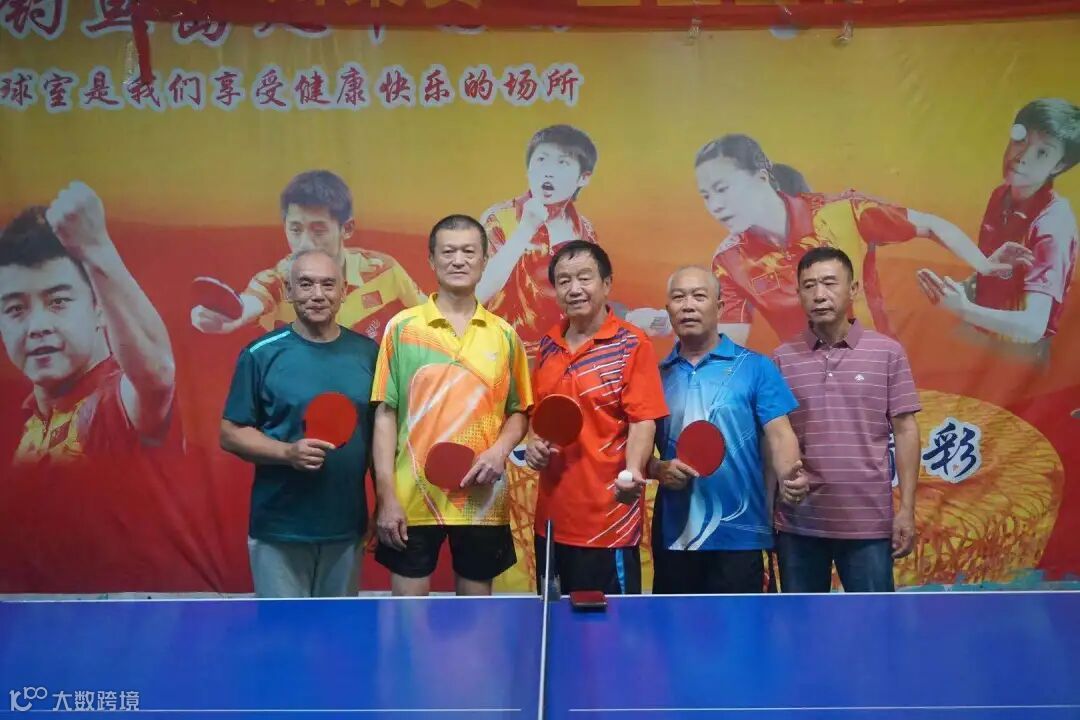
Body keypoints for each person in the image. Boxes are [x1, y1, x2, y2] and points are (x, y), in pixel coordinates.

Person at [629, 134, 1024, 346]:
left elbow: (930, 225)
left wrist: (984, 264)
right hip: (803, 385)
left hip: (871, 364)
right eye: (706, 195)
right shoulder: (729, 260)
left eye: (723, 188)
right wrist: (675, 321)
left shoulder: (841, 212)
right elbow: (731, 338)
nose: (715, 204)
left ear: (761, 178)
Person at [371, 215, 532, 596]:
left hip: (481, 498)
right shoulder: (402, 328)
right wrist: (386, 495)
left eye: (468, 252)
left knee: (476, 616)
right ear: (431, 260)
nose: (458, 260)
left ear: (484, 260)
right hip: (413, 498)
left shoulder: (505, 335)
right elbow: (385, 414)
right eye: (448, 252)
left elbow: (519, 410)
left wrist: (499, 451)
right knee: (408, 614)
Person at [220, 249, 378, 598]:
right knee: (285, 630)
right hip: (279, 529)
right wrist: (287, 453)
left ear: (343, 291)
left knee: (338, 629)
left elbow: (379, 438)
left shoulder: (369, 354)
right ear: (289, 292)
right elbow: (230, 433)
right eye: (306, 284)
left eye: (327, 284)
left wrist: (384, 502)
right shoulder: (260, 354)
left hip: (346, 528)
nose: (317, 294)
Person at [650, 266, 806, 594]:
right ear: (668, 310)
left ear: (720, 307)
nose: (688, 305)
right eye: (678, 298)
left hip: (742, 533)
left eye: (699, 296)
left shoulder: (756, 367)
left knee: (741, 625)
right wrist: (657, 468)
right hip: (675, 533)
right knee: (676, 626)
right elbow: (637, 450)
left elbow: (780, 435)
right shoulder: (655, 376)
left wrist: (790, 476)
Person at [773, 247, 921, 592]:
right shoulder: (781, 359)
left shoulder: (887, 353)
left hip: (868, 523)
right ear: (798, 294)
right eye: (809, 286)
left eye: (829, 283)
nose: (819, 294)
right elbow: (773, 440)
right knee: (801, 621)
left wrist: (907, 509)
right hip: (799, 524)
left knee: (874, 621)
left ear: (853, 289)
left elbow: (906, 431)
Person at [526, 241, 667, 595]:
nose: (574, 289)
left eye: (584, 278)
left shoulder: (631, 344)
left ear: (606, 283)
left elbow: (642, 419)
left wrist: (633, 470)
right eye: (564, 281)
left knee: (611, 624)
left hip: (608, 522)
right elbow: (539, 416)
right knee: (555, 620)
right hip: (551, 523)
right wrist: (534, 445)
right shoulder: (547, 346)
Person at [0, 182, 176, 464]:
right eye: (16, 308)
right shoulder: (27, 425)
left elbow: (157, 376)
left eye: (58, 301)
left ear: (99, 307)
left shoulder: (116, 404)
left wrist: (97, 248)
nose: (37, 327)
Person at [918, 98, 1078, 362]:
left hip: (1020, 358)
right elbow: (997, 278)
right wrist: (961, 289)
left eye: (1042, 153)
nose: (1021, 157)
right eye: (1020, 141)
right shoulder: (1001, 196)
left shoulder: (1053, 224)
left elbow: (1033, 327)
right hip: (980, 336)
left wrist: (963, 308)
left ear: (1059, 166)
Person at [191, 169, 422, 341]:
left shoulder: (384, 270)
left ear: (347, 228)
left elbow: (429, 318)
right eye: (295, 230)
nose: (305, 244)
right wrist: (228, 318)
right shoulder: (276, 282)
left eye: (318, 230)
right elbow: (251, 303)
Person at [477, 125, 599, 360]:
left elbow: (591, 303)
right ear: (529, 168)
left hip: (566, 359)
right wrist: (525, 230)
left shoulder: (585, 231)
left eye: (562, 163)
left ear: (583, 177)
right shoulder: (499, 219)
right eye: (541, 160)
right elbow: (478, 293)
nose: (548, 172)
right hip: (503, 359)